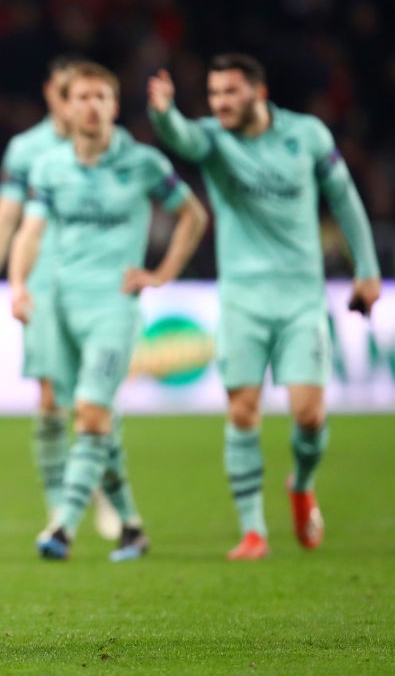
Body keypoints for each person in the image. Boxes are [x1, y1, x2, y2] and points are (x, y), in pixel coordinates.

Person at [147, 53, 381, 560]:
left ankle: (302, 484)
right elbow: (182, 138)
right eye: (213, 95)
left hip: (301, 298)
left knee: (309, 415)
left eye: (230, 93)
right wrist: (164, 114)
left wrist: (367, 268)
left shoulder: (309, 136)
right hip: (242, 299)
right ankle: (253, 531)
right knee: (242, 409)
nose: (220, 104)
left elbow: (344, 199)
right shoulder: (214, 138)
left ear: (259, 91)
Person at [9, 61, 207, 561]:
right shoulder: (50, 167)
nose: (92, 106)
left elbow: (193, 214)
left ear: (115, 107)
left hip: (114, 310)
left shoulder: (143, 163)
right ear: (67, 106)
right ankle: (133, 528)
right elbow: (30, 231)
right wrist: (16, 284)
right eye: (83, 97)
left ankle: (63, 528)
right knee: (96, 423)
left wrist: (161, 273)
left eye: (102, 97)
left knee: (92, 412)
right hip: (63, 305)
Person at [0, 55, 123, 544]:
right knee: (52, 398)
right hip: (43, 286)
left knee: (95, 400)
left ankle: (108, 495)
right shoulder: (28, 149)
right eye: (63, 90)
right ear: (53, 93)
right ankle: (60, 508)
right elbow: (4, 218)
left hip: (98, 287)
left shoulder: (115, 150)